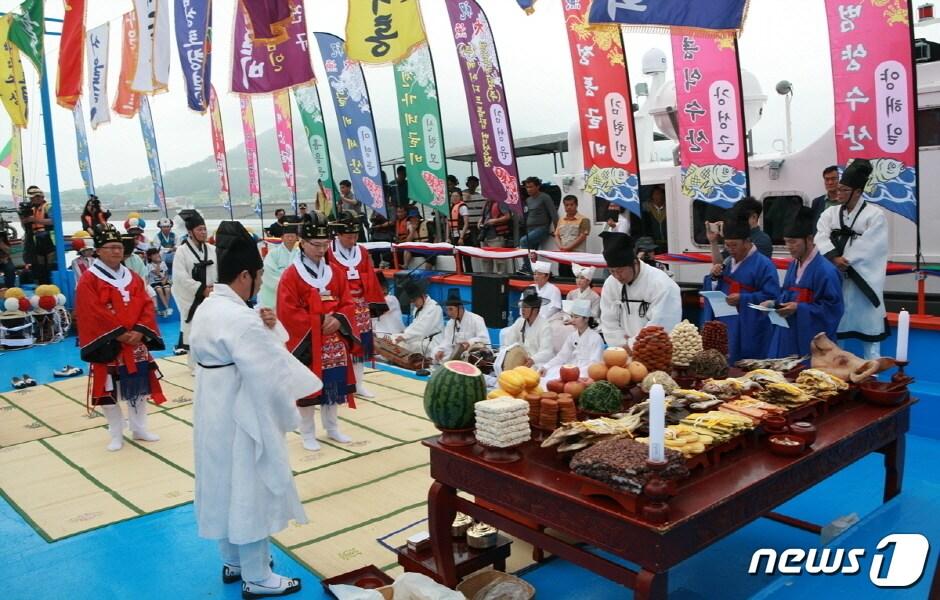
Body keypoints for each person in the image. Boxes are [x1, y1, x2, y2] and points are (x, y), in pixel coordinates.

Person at [190, 220, 315, 598]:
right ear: (245, 275)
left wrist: (269, 327)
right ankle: (257, 575)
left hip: (212, 406)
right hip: (242, 412)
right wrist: (287, 417)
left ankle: (233, 560)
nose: (261, 284)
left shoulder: (209, 306)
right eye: (259, 276)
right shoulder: (240, 318)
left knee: (221, 481)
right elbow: (270, 373)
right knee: (251, 486)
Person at [75, 224, 165, 451]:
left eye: (119, 247)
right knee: (109, 390)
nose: (116, 251)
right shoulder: (89, 279)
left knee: (140, 387)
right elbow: (91, 311)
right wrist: (120, 334)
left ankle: (139, 427)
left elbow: (145, 303)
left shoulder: (132, 277)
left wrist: (139, 331)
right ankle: (116, 433)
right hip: (108, 343)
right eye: (111, 247)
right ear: (98, 250)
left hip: (135, 341)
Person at [278, 214, 359, 450]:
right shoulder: (291, 275)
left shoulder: (335, 271)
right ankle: (307, 433)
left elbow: (347, 302)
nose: (322, 250)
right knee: (307, 388)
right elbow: (287, 311)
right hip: (308, 342)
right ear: (302, 243)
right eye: (316, 245)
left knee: (333, 386)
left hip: (334, 340)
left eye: (325, 245)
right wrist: (319, 321)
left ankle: (332, 428)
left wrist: (338, 319)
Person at [815, 158, 889, 359]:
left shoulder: (875, 215)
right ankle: (838, 375)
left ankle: (871, 376)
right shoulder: (830, 213)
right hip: (837, 280)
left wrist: (845, 260)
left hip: (863, 282)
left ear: (857, 191)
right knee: (837, 332)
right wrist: (833, 257)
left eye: (844, 190)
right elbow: (820, 235)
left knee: (870, 336)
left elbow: (871, 246)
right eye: (838, 189)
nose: (838, 193)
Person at [765, 206, 844, 358]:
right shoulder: (793, 264)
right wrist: (774, 304)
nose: (789, 247)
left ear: (809, 239)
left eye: (793, 242)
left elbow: (833, 310)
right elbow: (786, 295)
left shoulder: (827, 271)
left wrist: (799, 308)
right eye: (786, 242)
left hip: (811, 342)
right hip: (787, 336)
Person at [702, 215, 780, 362]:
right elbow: (716, 287)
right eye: (727, 245)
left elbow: (772, 296)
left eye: (734, 245)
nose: (730, 250)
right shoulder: (727, 262)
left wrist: (743, 298)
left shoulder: (764, 265)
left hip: (750, 327)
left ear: (747, 242)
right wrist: (713, 277)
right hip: (727, 325)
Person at [328, 211, 387, 398]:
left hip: (360, 306)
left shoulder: (361, 251)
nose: (352, 240)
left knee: (359, 347)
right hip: (338, 305)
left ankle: (359, 384)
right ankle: (341, 385)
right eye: (348, 237)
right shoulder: (328, 251)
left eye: (355, 236)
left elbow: (369, 274)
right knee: (338, 345)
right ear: (339, 234)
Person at [599, 232, 682, 349]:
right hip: (621, 353)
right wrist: (621, 345)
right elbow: (608, 320)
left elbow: (661, 323)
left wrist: (632, 344)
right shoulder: (610, 283)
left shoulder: (662, 284)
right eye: (612, 271)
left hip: (654, 353)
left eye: (620, 271)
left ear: (634, 263)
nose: (617, 276)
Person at [172, 210, 217, 354]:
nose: (203, 232)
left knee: (213, 327)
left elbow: (219, 271)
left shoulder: (212, 250)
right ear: (190, 232)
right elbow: (180, 277)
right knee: (194, 328)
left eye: (204, 229)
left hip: (212, 294)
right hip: (191, 297)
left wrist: (213, 289)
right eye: (199, 229)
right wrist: (201, 289)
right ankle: (195, 362)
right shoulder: (181, 251)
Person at [540, 299, 604, 382]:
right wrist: (546, 366)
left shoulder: (596, 338)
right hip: (571, 367)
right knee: (547, 374)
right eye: (572, 316)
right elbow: (562, 356)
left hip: (586, 372)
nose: (573, 320)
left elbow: (594, 364)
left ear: (586, 319)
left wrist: (575, 373)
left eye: (576, 317)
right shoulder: (572, 336)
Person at [500, 287, 554, 370]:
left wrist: (533, 359)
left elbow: (547, 352)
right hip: (519, 362)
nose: (523, 310)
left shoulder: (545, 326)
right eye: (522, 307)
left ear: (535, 310)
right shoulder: (520, 322)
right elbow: (508, 342)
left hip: (537, 364)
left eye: (526, 307)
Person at [431, 289, 490, 364]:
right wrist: (441, 350)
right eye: (447, 310)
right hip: (457, 351)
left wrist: (469, 343)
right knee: (435, 351)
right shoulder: (450, 323)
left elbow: (484, 338)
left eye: (451, 309)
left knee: (467, 356)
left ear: (460, 308)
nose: (449, 313)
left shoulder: (476, 319)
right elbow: (447, 341)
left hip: (473, 351)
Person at [258, 215, 301, 310]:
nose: (290, 239)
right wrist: (287, 283)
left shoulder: (300, 254)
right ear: (282, 237)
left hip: (296, 290)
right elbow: (268, 272)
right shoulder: (273, 253)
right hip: (275, 293)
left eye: (292, 236)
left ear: (297, 238)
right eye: (287, 236)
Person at [517, 177, 558, 274]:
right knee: (532, 252)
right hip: (530, 229)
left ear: (538, 186)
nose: (529, 189)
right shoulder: (528, 200)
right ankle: (535, 270)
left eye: (531, 187)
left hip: (541, 228)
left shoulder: (544, 197)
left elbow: (553, 214)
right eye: (527, 187)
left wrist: (557, 230)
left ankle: (527, 268)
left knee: (523, 241)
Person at [394, 278, 444, 356]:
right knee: (393, 337)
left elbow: (422, 329)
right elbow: (415, 325)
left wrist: (405, 336)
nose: (414, 303)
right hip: (420, 338)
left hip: (432, 342)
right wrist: (405, 332)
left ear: (422, 296)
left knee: (404, 345)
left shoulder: (434, 308)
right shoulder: (418, 308)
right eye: (412, 301)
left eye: (414, 300)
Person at [20, 185, 55, 285]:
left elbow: (53, 221)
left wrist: (34, 219)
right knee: (40, 266)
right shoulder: (31, 209)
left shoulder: (48, 206)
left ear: (40, 197)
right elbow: (26, 227)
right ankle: (42, 285)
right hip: (37, 239)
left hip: (49, 238)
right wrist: (24, 219)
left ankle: (52, 284)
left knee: (50, 265)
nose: (31, 200)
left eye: (33, 198)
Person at [554, 195, 590, 278]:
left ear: (576, 205)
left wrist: (567, 248)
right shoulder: (561, 220)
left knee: (577, 279)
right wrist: (561, 247)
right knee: (563, 279)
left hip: (577, 257)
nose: (569, 207)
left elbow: (582, 237)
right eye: (566, 205)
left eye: (571, 204)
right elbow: (556, 235)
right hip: (563, 257)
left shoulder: (584, 220)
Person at [478, 194, 512, 274]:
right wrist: (479, 222)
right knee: (485, 259)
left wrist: (494, 221)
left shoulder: (501, 202)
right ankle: (487, 278)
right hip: (485, 236)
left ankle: (502, 279)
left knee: (499, 260)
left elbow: (507, 216)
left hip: (496, 236)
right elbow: (483, 216)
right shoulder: (486, 204)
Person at [372, 272, 404, 337]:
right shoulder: (374, 302)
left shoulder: (391, 299)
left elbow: (372, 312)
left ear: (384, 288)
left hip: (395, 338)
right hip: (381, 338)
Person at [147, 248, 173, 317]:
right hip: (155, 282)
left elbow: (167, 273)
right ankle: (167, 307)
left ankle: (166, 308)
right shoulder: (149, 265)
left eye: (157, 254)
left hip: (164, 280)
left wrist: (165, 279)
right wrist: (158, 263)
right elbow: (157, 272)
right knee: (159, 290)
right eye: (154, 254)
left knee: (167, 289)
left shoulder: (163, 263)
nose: (156, 255)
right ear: (149, 257)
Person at [641, 185, 668, 253]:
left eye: (660, 194)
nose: (658, 196)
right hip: (654, 245)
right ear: (652, 196)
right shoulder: (646, 210)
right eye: (655, 194)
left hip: (669, 243)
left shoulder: (669, 207)